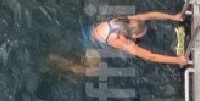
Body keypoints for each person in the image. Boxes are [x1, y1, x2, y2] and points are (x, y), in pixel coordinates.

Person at [51, 10, 189, 75]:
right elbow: (150, 56)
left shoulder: (126, 20)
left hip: (90, 29)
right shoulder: (120, 41)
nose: (145, 33)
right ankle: (66, 65)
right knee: (93, 69)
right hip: (92, 44)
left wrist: (173, 17)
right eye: (142, 34)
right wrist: (178, 60)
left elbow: (149, 15)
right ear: (131, 35)